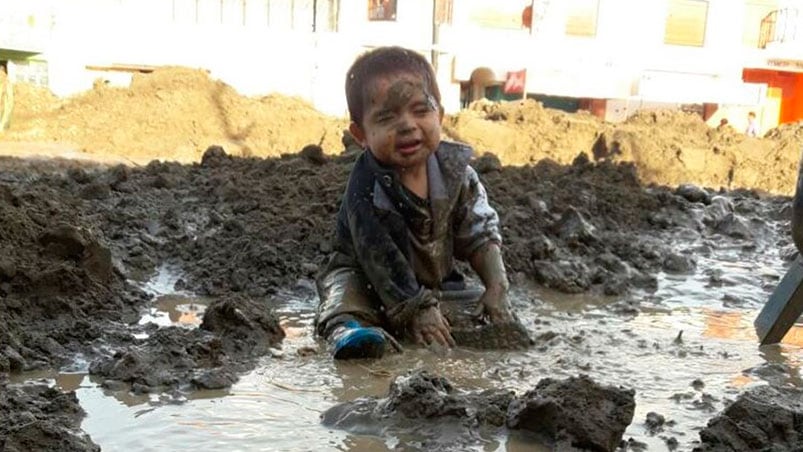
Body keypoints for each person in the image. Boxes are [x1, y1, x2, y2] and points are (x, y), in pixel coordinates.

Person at [314, 46, 513, 360]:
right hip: (367, 277)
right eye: (387, 117)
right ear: (360, 134)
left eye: (420, 110)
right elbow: (378, 253)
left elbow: (480, 231)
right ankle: (349, 333)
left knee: (476, 304)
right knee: (342, 301)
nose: (407, 125)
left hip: (433, 283)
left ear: (441, 115)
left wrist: (496, 284)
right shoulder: (367, 186)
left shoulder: (458, 174)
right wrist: (416, 308)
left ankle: (430, 315)